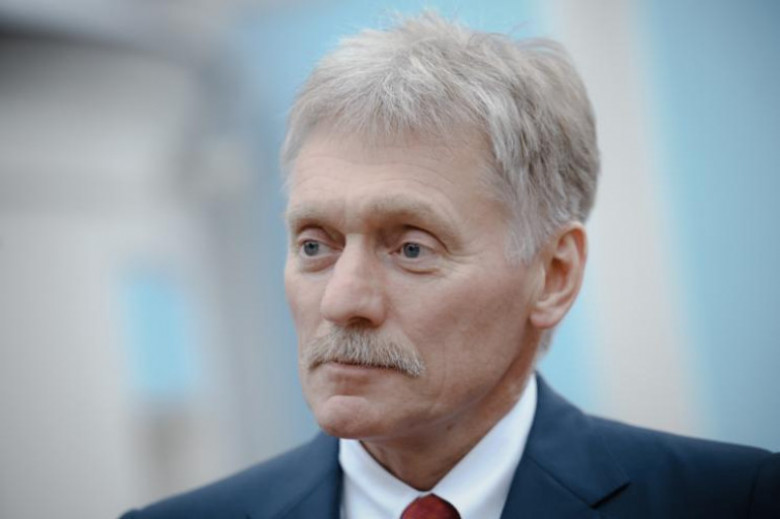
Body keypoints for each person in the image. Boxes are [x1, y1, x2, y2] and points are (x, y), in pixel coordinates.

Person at [121, 12, 779, 519]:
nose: (342, 301)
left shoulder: (737, 502)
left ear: (554, 275)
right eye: (315, 245)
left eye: (411, 247)